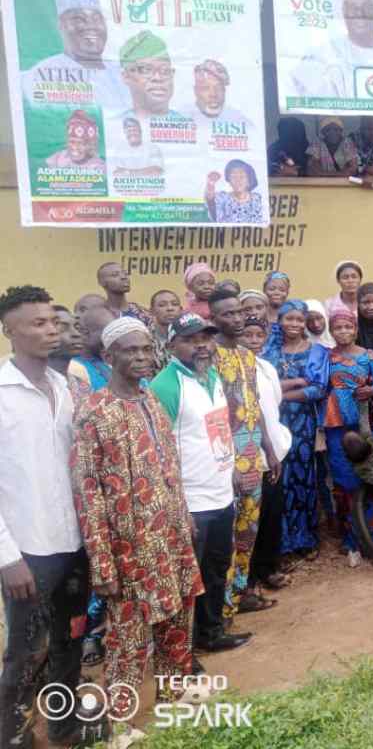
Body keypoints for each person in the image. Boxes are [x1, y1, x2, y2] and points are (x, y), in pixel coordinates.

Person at [71, 318, 202, 719]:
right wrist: (102, 562)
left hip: (171, 537)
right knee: (127, 639)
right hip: (128, 549)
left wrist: (184, 516)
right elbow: (88, 491)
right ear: (108, 356)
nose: (142, 357)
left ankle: (173, 702)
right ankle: (120, 722)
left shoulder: (152, 400)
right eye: (131, 350)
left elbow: (170, 465)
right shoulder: (94, 411)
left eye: (146, 349)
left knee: (178, 622)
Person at [0, 286, 107, 748]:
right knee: (26, 652)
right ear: (10, 331)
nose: (51, 330)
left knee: (69, 639)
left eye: (54, 322)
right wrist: (7, 557)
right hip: (28, 550)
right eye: (38, 323)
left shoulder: (67, 388)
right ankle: (14, 736)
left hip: (74, 542)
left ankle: (64, 726)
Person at [150, 313, 253, 656]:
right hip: (191, 503)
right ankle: (179, 653)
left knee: (216, 568)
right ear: (171, 345)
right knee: (185, 579)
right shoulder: (166, 386)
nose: (201, 346)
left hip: (220, 495)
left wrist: (231, 468)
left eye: (206, 338)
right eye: (191, 340)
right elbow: (158, 451)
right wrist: (176, 504)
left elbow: (218, 427)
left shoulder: (210, 376)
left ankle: (210, 633)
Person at [209, 289, 280, 616]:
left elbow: (255, 404)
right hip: (227, 461)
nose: (237, 319)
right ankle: (221, 611)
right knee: (225, 536)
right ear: (213, 319)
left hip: (253, 455)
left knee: (247, 532)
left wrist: (269, 449)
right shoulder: (209, 357)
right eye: (228, 314)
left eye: (239, 312)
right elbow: (210, 413)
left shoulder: (247, 356)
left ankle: (240, 595)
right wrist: (228, 463)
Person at [261, 300, 330, 565]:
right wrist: (297, 383)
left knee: (303, 478)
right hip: (273, 423)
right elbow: (260, 387)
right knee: (279, 478)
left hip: (303, 424)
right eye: (289, 318)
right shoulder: (268, 353)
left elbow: (318, 389)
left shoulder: (316, 351)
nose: (294, 324)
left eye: (299, 320)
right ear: (279, 321)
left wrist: (278, 393)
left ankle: (305, 538)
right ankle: (282, 541)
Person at [323, 309, 373, 564]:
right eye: (338, 327)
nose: (343, 332)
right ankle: (352, 540)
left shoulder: (370, 357)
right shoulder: (325, 357)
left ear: (356, 330)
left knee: (371, 476)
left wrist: (372, 390)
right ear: (331, 331)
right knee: (345, 481)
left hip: (366, 424)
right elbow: (318, 384)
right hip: (336, 425)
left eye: (348, 327)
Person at [239, 316, 294, 591]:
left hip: (272, 452)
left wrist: (273, 447)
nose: (253, 340)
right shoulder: (230, 369)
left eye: (258, 335)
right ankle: (246, 580)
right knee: (248, 520)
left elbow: (274, 404)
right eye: (247, 335)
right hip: (246, 456)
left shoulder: (266, 367)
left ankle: (268, 568)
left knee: (271, 514)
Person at [21, 0, 130, 109]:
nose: (91, 26)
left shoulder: (124, 73)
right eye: (79, 19)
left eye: (96, 19)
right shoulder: (43, 74)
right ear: (61, 26)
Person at [289, 0, 373, 100]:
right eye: (352, 8)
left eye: (366, 7)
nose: (360, 13)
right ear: (343, 13)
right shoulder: (322, 54)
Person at [119, 30, 181, 123]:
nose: (158, 78)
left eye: (165, 70)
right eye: (146, 70)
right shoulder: (114, 125)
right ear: (126, 76)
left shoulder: (193, 125)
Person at [68, 304, 115, 396]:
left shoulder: (109, 363)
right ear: (85, 333)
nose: (113, 339)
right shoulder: (74, 368)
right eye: (108, 333)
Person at [205, 159, 263, 224]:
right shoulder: (223, 198)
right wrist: (210, 185)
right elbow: (211, 202)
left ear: (249, 179)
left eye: (241, 176)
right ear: (229, 180)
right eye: (234, 176)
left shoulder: (258, 199)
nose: (237, 180)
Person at [48, 304, 85, 379]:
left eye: (77, 327)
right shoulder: (29, 380)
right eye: (64, 328)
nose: (77, 334)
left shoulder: (80, 378)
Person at [150, 289, 182, 371]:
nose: (170, 308)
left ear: (181, 310)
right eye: (162, 305)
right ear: (152, 311)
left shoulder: (189, 336)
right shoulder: (145, 338)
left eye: (174, 304)